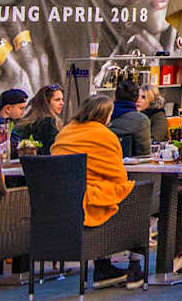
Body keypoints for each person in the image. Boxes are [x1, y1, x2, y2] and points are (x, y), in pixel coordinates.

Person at [50, 95, 144, 288]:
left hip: (62, 202)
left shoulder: (65, 133)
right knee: (140, 196)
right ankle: (135, 267)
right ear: (105, 115)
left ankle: (103, 267)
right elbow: (119, 177)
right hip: (90, 200)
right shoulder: (104, 135)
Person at [13, 84, 66, 151]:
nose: (62, 103)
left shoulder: (29, 121)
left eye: (62, 99)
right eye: (57, 100)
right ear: (46, 102)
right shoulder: (48, 122)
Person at [108, 78, 151, 157]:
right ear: (137, 98)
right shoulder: (141, 120)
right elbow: (144, 153)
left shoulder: (103, 115)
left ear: (115, 97)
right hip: (129, 166)